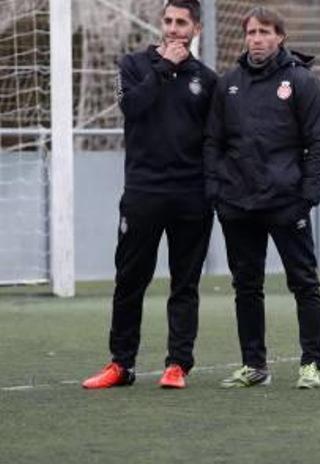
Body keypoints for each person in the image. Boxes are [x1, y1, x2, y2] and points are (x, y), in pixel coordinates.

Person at [82, 0, 217, 390]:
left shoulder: (207, 80)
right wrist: (165, 68)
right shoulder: (133, 66)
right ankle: (121, 365)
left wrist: (211, 190)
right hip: (143, 192)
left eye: (182, 23)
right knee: (129, 279)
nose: (174, 29)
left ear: (196, 29)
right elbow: (132, 108)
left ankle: (177, 365)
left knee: (184, 283)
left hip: (191, 196)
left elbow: (213, 139)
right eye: (169, 21)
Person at [204, 7, 320, 389]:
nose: (257, 39)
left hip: (285, 203)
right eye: (251, 32)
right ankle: (254, 365)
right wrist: (216, 192)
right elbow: (213, 141)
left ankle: (310, 363)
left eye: (264, 32)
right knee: (246, 286)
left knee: (304, 283)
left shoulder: (302, 82)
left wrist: (306, 199)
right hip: (237, 204)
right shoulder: (228, 82)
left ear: (281, 37)